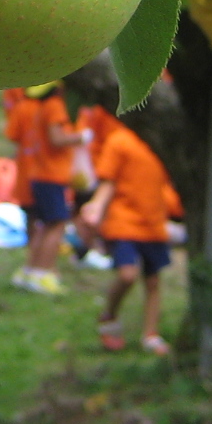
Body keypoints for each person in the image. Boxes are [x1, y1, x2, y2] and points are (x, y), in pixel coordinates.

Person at [79, 100, 178, 355]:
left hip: (154, 223)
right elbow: (108, 181)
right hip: (124, 222)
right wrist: (97, 206)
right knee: (127, 275)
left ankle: (151, 334)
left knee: (153, 281)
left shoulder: (160, 142)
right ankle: (109, 314)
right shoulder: (119, 141)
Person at [9, 81, 75, 294]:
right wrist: (81, 138)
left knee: (42, 224)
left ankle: (30, 269)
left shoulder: (33, 107)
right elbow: (56, 139)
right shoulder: (55, 106)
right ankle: (42, 273)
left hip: (35, 172)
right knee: (55, 224)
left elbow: (13, 136)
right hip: (51, 174)